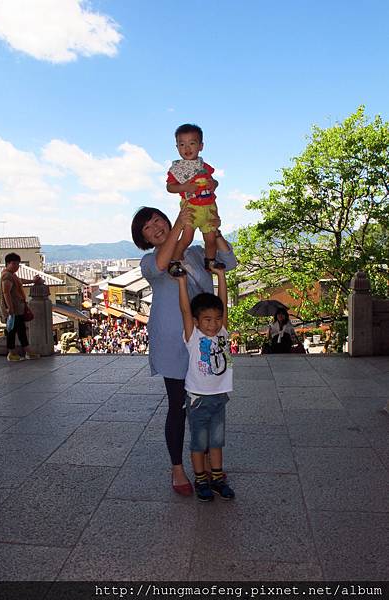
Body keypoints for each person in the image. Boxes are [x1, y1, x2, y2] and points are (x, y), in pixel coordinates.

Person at [131, 205, 237, 496]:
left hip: (205, 338)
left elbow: (229, 261)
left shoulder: (194, 254)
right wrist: (182, 220)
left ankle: (206, 467)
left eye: (157, 220)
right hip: (172, 340)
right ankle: (178, 467)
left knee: (206, 404)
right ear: (144, 239)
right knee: (178, 405)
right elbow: (165, 263)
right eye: (148, 228)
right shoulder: (149, 262)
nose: (156, 228)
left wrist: (214, 230)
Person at [174, 266, 235, 502]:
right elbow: (184, 310)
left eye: (217, 319)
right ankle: (201, 479)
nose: (213, 324)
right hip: (198, 398)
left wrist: (221, 276)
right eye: (207, 320)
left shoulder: (223, 333)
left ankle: (217, 478)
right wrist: (181, 282)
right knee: (199, 442)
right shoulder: (194, 336)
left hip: (220, 396)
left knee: (217, 441)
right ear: (197, 322)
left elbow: (223, 302)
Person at [166, 124, 225, 275]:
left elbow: (214, 181)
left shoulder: (203, 166)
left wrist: (214, 184)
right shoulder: (177, 169)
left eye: (192, 143)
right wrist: (184, 187)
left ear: (201, 146)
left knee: (211, 239)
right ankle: (174, 261)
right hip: (191, 207)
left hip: (209, 208)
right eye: (182, 144)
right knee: (187, 238)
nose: (187, 148)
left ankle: (210, 261)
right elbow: (170, 187)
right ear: (177, 147)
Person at [0, 252, 41, 362]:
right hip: (14, 309)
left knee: (20, 330)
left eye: (18, 264)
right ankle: (13, 352)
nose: (16, 266)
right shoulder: (7, 275)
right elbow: (6, 292)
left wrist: (32, 281)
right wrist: (10, 308)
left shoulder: (12, 275)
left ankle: (26, 351)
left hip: (18, 308)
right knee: (13, 331)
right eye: (14, 263)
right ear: (8, 263)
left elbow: (19, 281)